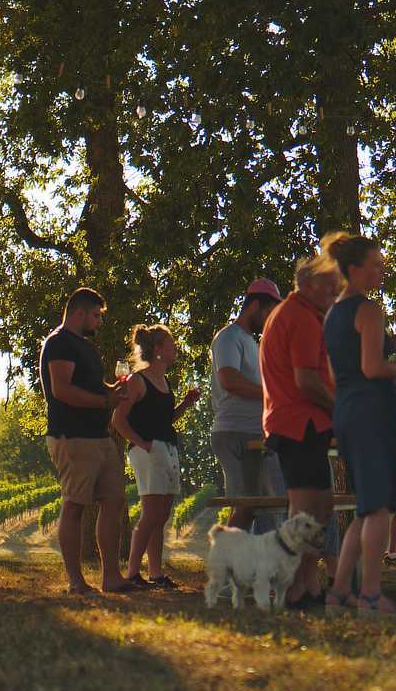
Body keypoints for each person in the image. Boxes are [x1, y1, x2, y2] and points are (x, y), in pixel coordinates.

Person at [322, 232, 396, 615]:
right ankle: (371, 593)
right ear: (354, 269)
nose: (381, 271)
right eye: (375, 265)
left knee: (365, 508)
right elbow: (372, 368)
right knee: (379, 507)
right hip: (372, 412)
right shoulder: (368, 310)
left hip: (346, 410)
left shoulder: (332, 314)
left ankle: (338, 591)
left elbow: (337, 373)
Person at [260, 253, 344, 609]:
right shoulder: (303, 318)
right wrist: (340, 410)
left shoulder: (290, 314)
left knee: (317, 508)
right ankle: (293, 588)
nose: (335, 294)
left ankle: (308, 584)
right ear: (309, 284)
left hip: (295, 423)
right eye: (330, 287)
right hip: (300, 424)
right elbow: (306, 380)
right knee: (308, 513)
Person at [40, 287, 134, 594]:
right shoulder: (59, 343)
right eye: (95, 315)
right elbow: (62, 390)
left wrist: (113, 391)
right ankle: (76, 581)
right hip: (72, 437)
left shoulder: (86, 348)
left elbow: (93, 386)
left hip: (99, 437)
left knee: (114, 502)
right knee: (75, 506)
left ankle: (111, 577)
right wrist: (104, 402)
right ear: (79, 313)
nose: (99, 322)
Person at [112, 325, 200, 590]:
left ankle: (155, 573)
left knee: (161, 515)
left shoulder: (164, 381)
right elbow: (118, 420)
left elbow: (164, 419)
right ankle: (132, 572)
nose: (175, 348)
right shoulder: (138, 380)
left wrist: (185, 404)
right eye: (171, 343)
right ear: (158, 349)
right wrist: (142, 444)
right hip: (148, 452)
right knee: (151, 514)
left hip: (167, 448)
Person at [211, 278, 287, 534]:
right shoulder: (228, 337)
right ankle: (226, 557)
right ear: (254, 306)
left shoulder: (251, 342)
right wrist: (271, 393)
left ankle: (249, 557)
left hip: (254, 434)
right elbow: (229, 380)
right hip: (235, 433)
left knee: (261, 507)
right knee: (245, 507)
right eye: (268, 312)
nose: (270, 320)